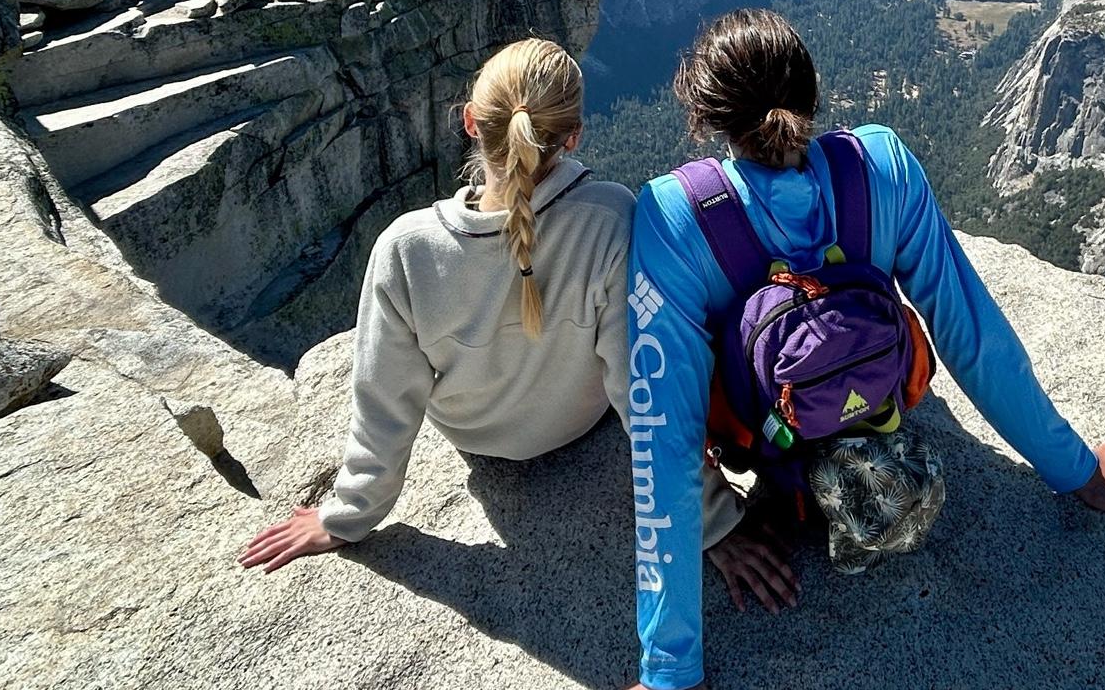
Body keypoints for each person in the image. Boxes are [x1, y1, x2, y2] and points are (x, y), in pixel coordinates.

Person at [585, 8, 1105, 690]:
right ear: (812, 97)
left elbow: (662, 438)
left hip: (766, 452)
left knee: (675, 355)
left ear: (708, 121)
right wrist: (1074, 468)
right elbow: (969, 335)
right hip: (886, 416)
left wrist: (670, 669)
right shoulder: (881, 167)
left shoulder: (676, 218)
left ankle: (787, 471)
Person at [239, 36, 792, 609]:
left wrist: (347, 516)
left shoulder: (404, 249)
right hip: (579, 423)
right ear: (572, 135)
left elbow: (384, 402)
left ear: (472, 122)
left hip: (475, 437)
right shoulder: (609, 219)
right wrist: (712, 521)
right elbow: (640, 392)